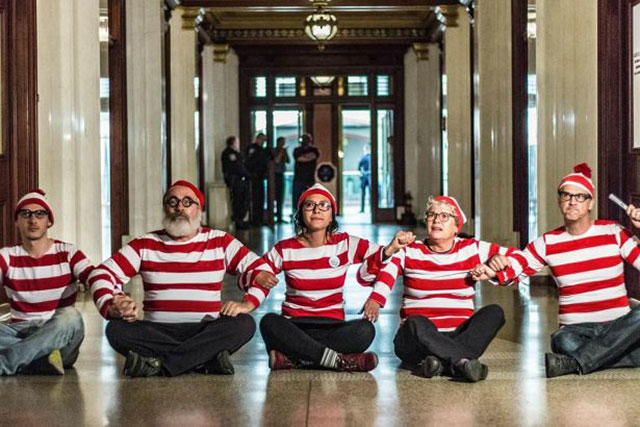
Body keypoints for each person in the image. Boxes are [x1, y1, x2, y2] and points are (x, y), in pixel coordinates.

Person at [88, 179, 278, 377]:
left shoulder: (219, 241)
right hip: (157, 331)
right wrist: (113, 304)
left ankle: (161, 365)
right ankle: (204, 358)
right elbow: (100, 274)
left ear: (199, 210)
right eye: (173, 202)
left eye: (188, 202)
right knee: (116, 329)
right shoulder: (146, 243)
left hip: (204, 330)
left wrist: (246, 305)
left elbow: (261, 271)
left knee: (244, 324)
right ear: (165, 209)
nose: (180, 207)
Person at [475, 163, 640, 378]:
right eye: (566, 195)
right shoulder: (548, 242)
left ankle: (574, 363)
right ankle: (601, 356)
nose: (572, 201)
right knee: (562, 341)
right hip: (576, 331)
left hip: (618, 326)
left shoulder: (614, 232)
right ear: (559, 201)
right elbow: (519, 264)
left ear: (591, 203)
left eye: (580, 196)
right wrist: (494, 269)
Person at [237, 184, 400, 372]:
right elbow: (247, 278)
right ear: (300, 214)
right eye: (310, 205)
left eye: (324, 205)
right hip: (295, 326)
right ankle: (339, 360)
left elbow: (387, 259)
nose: (317, 210)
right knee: (269, 322)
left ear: (332, 215)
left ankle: (298, 359)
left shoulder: (346, 244)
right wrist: (255, 282)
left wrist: (376, 298)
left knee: (366, 330)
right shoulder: (284, 249)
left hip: (332, 326)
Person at [361, 196, 512, 382]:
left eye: (444, 216)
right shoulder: (410, 250)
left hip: (456, 334)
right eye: (431, 215)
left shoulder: (472, 249)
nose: (436, 220)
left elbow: (516, 259)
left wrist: (496, 267)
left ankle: (441, 364)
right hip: (415, 341)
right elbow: (386, 274)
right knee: (415, 322)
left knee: (494, 313)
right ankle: (462, 362)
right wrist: (376, 299)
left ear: (457, 226)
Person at [0, 189, 92, 375]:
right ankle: (41, 361)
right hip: (20, 330)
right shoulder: (7, 256)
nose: (33, 220)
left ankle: (7, 362)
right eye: (25, 214)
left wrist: (115, 299)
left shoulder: (68, 252)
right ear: (16, 221)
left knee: (71, 317)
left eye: (39, 214)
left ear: (49, 221)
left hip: (58, 332)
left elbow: (94, 277)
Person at [221, 135, 251, 229]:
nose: (238, 143)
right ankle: (238, 221)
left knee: (243, 200)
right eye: (237, 142)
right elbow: (237, 167)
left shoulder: (237, 153)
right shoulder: (228, 153)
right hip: (236, 181)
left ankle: (240, 220)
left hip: (241, 180)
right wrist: (248, 175)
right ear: (233, 143)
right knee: (238, 201)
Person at [245, 132, 271, 226]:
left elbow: (269, 159)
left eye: (264, 140)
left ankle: (260, 219)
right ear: (257, 139)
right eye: (262, 140)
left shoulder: (263, 150)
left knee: (260, 198)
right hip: (253, 176)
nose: (263, 142)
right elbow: (249, 161)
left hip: (261, 177)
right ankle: (254, 220)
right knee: (254, 198)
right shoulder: (252, 148)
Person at [292, 133, 320, 211]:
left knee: (310, 197)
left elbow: (313, 156)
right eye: (304, 139)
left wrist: (304, 157)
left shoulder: (314, 150)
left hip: (309, 178)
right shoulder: (297, 150)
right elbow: (299, 158)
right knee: (297, 198)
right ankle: (296, 213)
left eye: (307, 139)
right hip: (298, 177)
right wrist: (307, 157)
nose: (306, 141)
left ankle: (310, 212)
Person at [271, 136, 290, 223]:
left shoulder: (284, 151)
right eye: (282, 142)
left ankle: (280, 216)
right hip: (274, 176)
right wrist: (281, 152)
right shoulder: (274, 150)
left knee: (281, 196)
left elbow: (288, 161)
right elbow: (277, 161)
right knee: (274, 195)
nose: (283, 144)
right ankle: (272, 215)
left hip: (281, 174)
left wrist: (285, 153)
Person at [358, 145, 371, 213]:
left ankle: (362, 209)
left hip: (364, 176)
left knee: (363, 194)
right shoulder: (372, 157)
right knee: (370, 193)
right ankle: (372, 209)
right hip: (370, 176)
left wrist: (362, 172)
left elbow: (359, 167)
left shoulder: (363, 158)